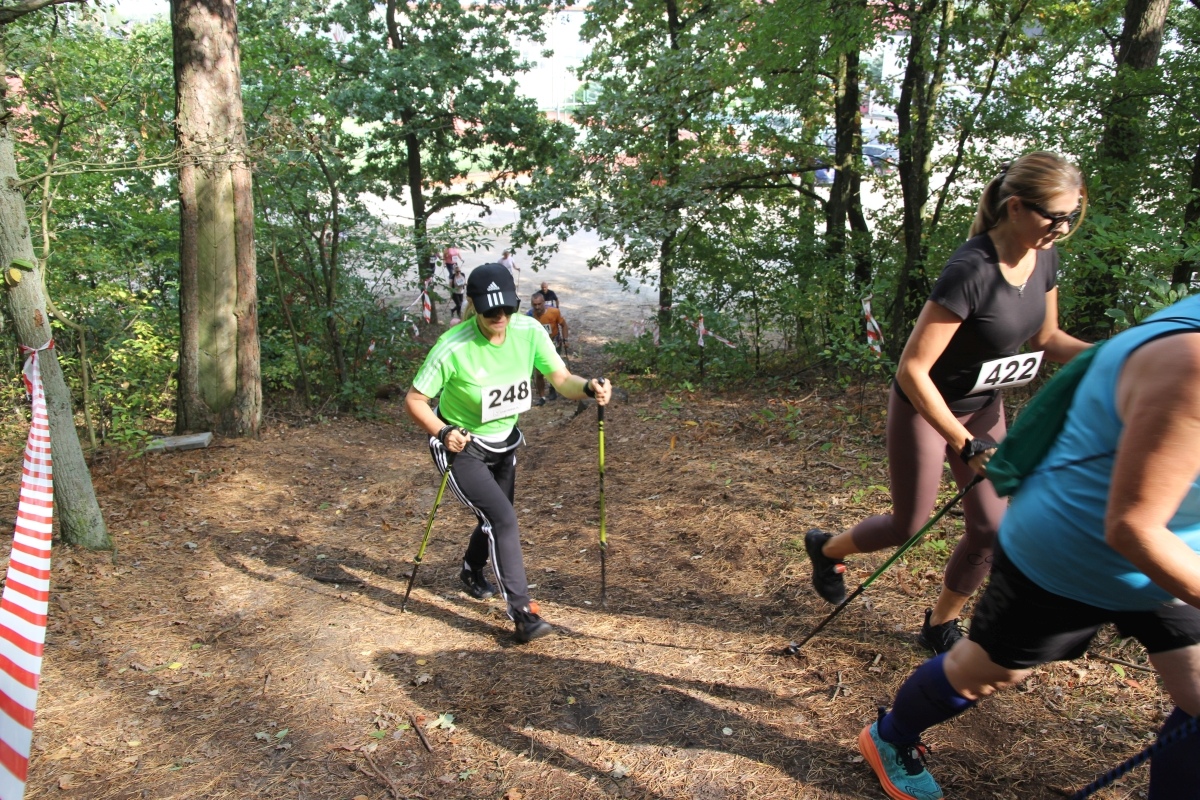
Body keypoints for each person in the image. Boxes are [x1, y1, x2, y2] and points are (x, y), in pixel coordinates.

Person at [858, 295, 1200, 800]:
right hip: (1067, 550)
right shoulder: (1190, 358)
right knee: (987, 671)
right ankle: (890, 737)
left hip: (1176, 559)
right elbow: (1132, 526)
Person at [805, 151, 1091, 653]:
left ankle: (940, 623)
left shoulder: (1044, 256)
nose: (1063, 228)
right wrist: (965, 443)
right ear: (1018, 207)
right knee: (908, 524)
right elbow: (912, 370)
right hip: (927, 404)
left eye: (1073, 215)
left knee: (990, 527)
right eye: (1055, 216)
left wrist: (1118, 355)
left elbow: (1048, 336)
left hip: (984, 404)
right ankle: (826, 549)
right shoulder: (971, 269)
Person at [404, 262, 612, 643]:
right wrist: (443, 431)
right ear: (474, 306)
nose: (500, 318)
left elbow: (562, 380)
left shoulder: (529, 331)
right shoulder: (453, 347)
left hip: (504, 441)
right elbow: (416, 399)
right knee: (503, 519)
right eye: (490, 312)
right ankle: (523, 612)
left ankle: (471, 568)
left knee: (498, 515)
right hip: (461, 444)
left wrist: (589, 388)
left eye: (507, 309)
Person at [528, 291, 568, 404]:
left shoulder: (554, 312)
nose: (537, 307)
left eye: (539, 304)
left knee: (553, 369)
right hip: (539, 344)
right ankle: (542, 397)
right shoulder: (530, 315)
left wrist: (565, 340)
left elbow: (564, 325)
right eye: (534, 305)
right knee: (539, 372)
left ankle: (553, 389)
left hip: (554, 341)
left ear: (544, 303)